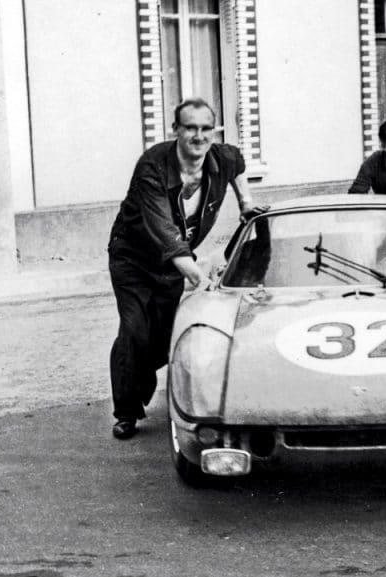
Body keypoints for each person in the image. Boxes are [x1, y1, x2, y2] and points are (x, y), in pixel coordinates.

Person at [106, 97, 266, 439]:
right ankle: (126, 411)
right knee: (135, 330)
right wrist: (200, 277)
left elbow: (237, 164)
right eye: (190, 128)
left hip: (173, 265)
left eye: (206, 128)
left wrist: (247, 203)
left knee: (162, 336)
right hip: (132, 258)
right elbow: (164, 231)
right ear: (175, 130)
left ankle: (136, 377)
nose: (198, 135)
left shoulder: (222, 157)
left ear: (214, 130)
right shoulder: (152, 166)